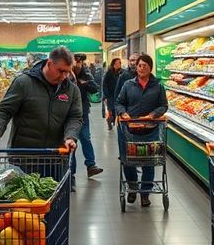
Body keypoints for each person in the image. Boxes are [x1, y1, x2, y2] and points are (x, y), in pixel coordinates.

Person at [0, 46, 82, 154]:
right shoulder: (24, 83)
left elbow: (75, 117)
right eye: (61, 71)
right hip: (24, 156)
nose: (64, 76)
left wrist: (71, 137)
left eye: (67, 72)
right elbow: (4, 111)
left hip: (56, 156)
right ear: (49, 64)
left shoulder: (72, 90)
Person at [115, 53, 168, 207]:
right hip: (130, 130)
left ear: (150, 67)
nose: (142, 68)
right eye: (139, 65)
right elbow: (119, 102)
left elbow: (163, 105)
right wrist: (122, 112)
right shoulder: (128, 84)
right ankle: (132, 187)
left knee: (149, 161)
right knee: (129, 160)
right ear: (136, 67)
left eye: (145, 65)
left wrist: (153, 114)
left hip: (151, 129)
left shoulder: (158, 85)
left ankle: (145, 193)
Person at [71, 53, 103, 187]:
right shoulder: (65, 73)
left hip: (82, 112)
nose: (77, 65)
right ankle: (70, 173)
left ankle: (91, 166)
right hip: (67, 113)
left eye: (79, 62)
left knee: (86, 138)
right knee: (70, 142)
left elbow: (94, 88)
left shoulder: (86, 73)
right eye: (75, 62)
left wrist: (83, 83)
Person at [102, 57, 124, 130]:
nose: (119, 64)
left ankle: (117, 123)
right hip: (110, 95)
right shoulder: (109, 73)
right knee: (110, 110)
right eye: (118, 63)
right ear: (114, 64)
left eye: (120, 63)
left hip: (119, 95)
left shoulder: (123, 72)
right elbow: (104, 84)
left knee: (117, 110)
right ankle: (109, 123)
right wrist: (106, 95)